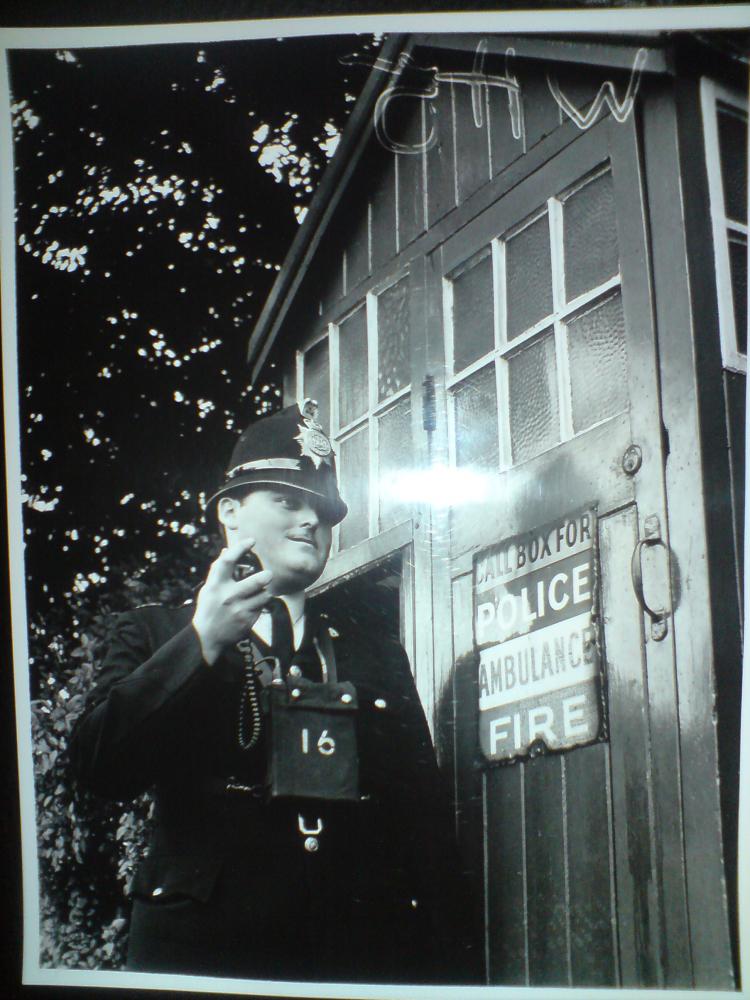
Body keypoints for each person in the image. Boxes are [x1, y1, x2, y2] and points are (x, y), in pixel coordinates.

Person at [70, 399, 477, 984]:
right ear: (230, 514)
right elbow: (98, 766)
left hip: (355, 957)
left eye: (323, 511)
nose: (310, 521)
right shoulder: (154, 633)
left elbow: (426, 827)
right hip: (207, 957)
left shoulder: (371, 650)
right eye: (288, 500)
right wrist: (201, 643)